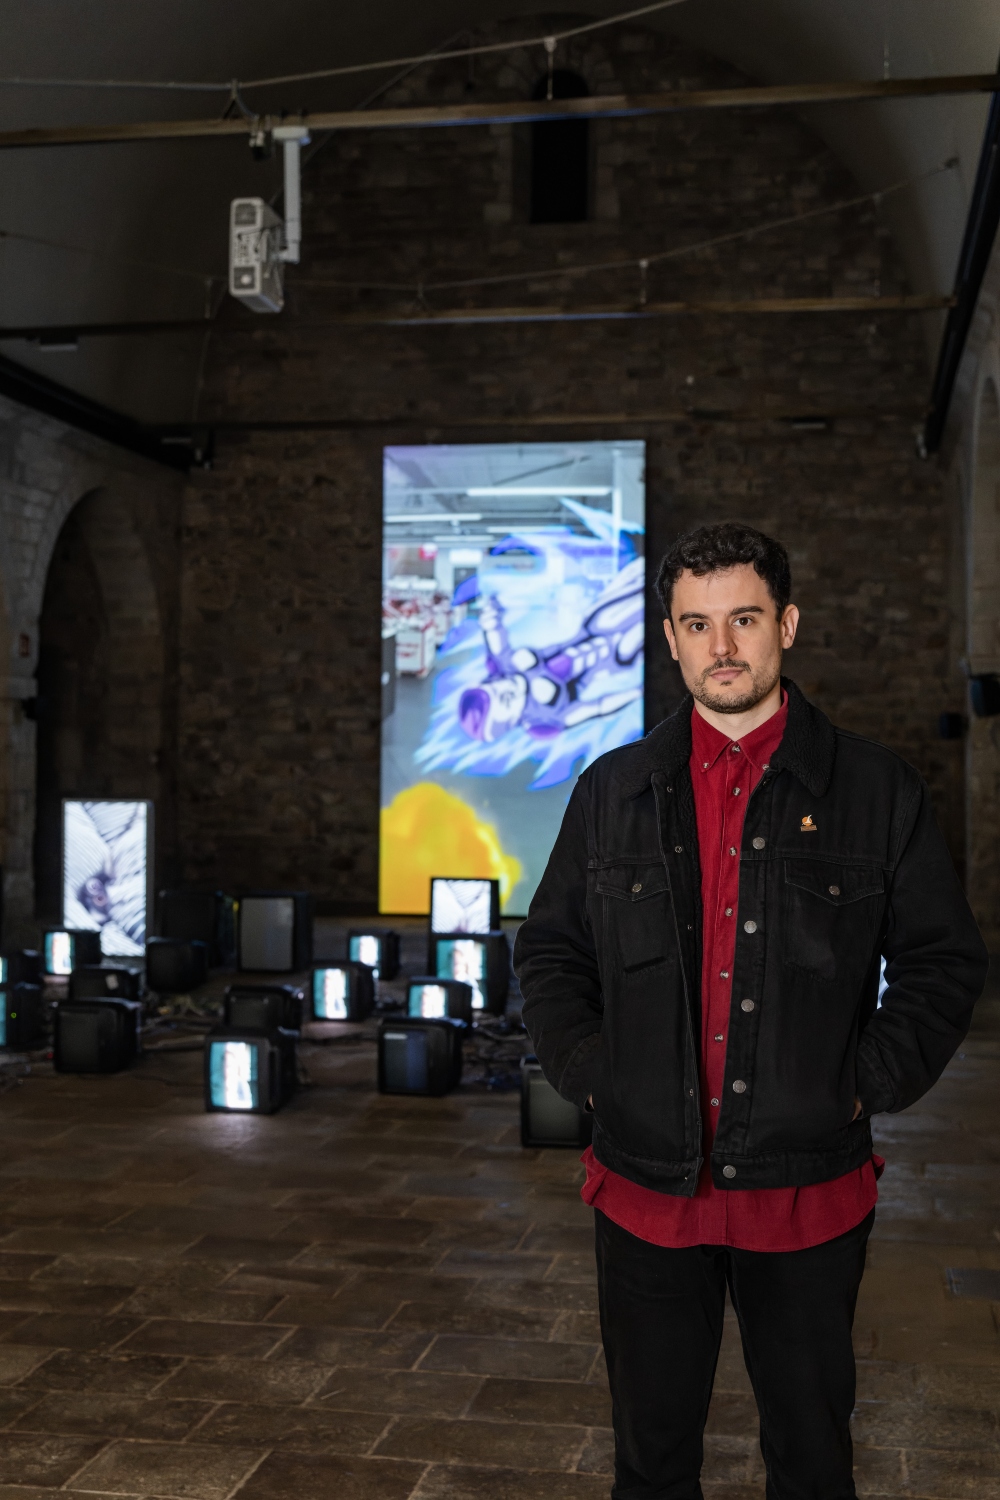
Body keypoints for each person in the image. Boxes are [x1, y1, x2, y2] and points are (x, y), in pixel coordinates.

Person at [514, 522, 987, 1500]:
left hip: (806, 1191)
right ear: (669, 638)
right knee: (650, 1467)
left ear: (787, 626)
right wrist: (598, 1076)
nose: (721, 646)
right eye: (697, 624)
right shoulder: (611, 792)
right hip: (647, 1191)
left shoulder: (876, 790)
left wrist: (858, 1085)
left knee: (810, 1461)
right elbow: (552, 951)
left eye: (744, 619)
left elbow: (942, 964)